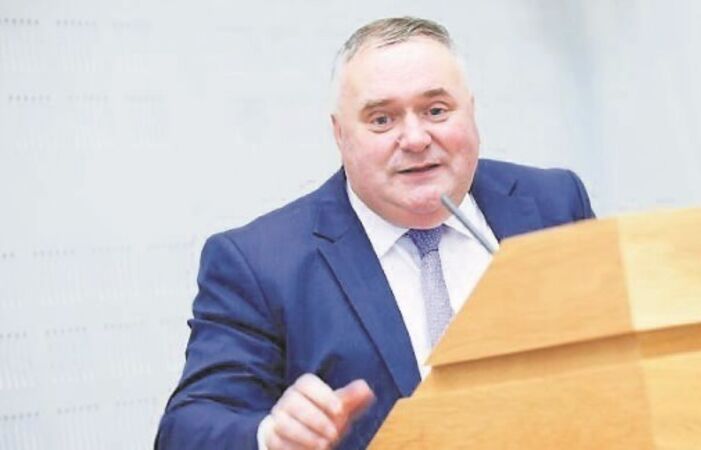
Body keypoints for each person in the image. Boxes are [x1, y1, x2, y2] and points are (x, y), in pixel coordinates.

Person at [156, 16, 594, 450]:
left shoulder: (552, 204)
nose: (416, 139)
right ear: (339, 134)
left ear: (471, 111)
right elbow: (187, 429)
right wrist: (270, 436)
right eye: (382, 119)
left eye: (436, 111)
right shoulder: (261, 263)